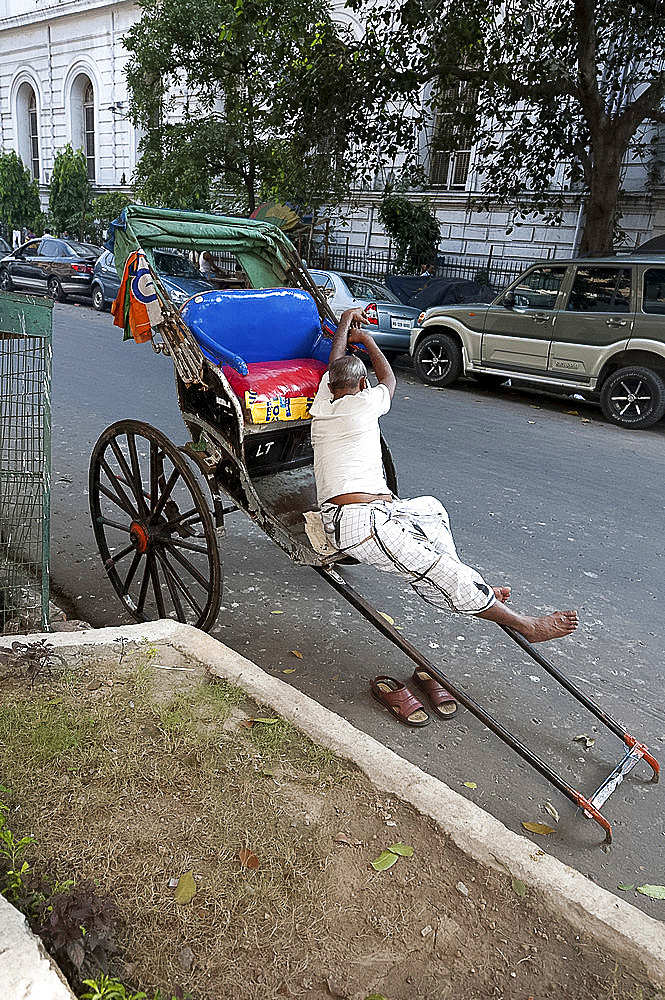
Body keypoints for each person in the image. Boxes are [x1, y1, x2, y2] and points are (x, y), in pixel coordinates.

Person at [309, 308, 579, 726]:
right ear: (360, 385)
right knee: (437, 567)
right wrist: (369, 341)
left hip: (380, 509)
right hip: (356, 523)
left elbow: (336, 362)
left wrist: (346, 325)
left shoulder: (325, 403)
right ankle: (523, 623)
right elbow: (391, 379)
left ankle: (464, 586)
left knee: (432, 509)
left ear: (335, 383)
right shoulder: (365, 404)